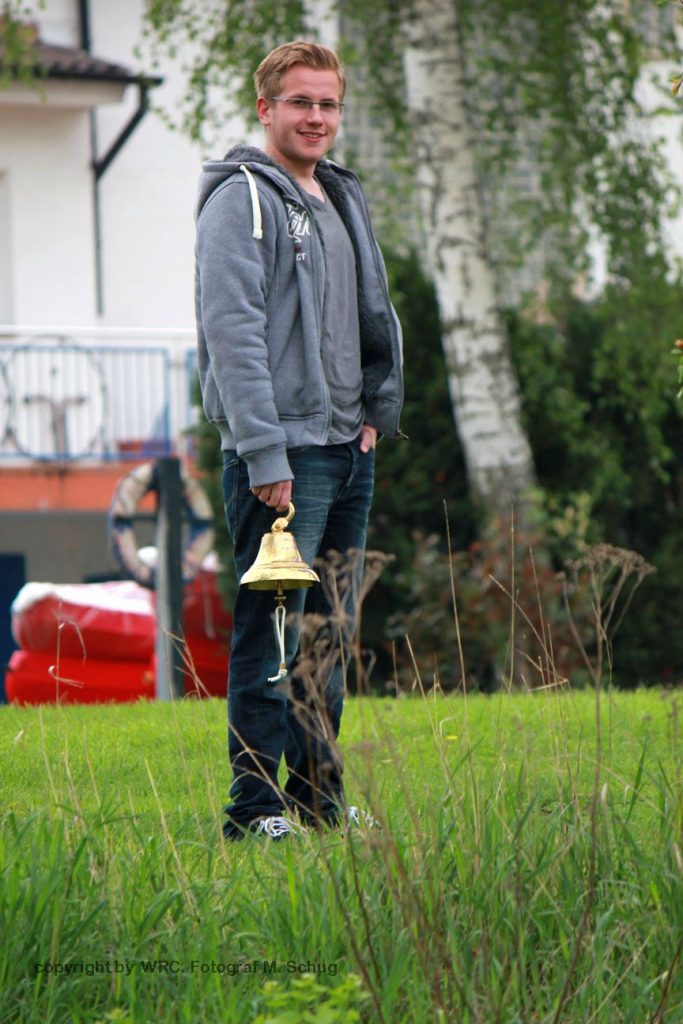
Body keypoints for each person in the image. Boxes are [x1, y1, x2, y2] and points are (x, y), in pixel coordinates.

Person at [195, 40, 404, 840]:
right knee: (272, 637)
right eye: (300, 102)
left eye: (327, 104)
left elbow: (366, 315)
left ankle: (317, 799)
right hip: (282, 457)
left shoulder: (340, 196)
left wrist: (372, 412)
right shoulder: (239, 201)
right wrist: (264, 453)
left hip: (347, 450)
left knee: (327, 636)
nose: (315, 117)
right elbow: (233, 334)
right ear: (266, 109)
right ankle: (253, 811)